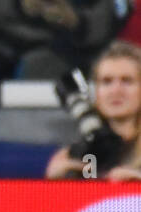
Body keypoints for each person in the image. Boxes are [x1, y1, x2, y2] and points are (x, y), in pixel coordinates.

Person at [45, 40, 141, 181]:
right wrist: (53, 183)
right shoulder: (76, 154)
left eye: (127, 81)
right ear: (96, 91)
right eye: (106, 81)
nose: (116, 91)